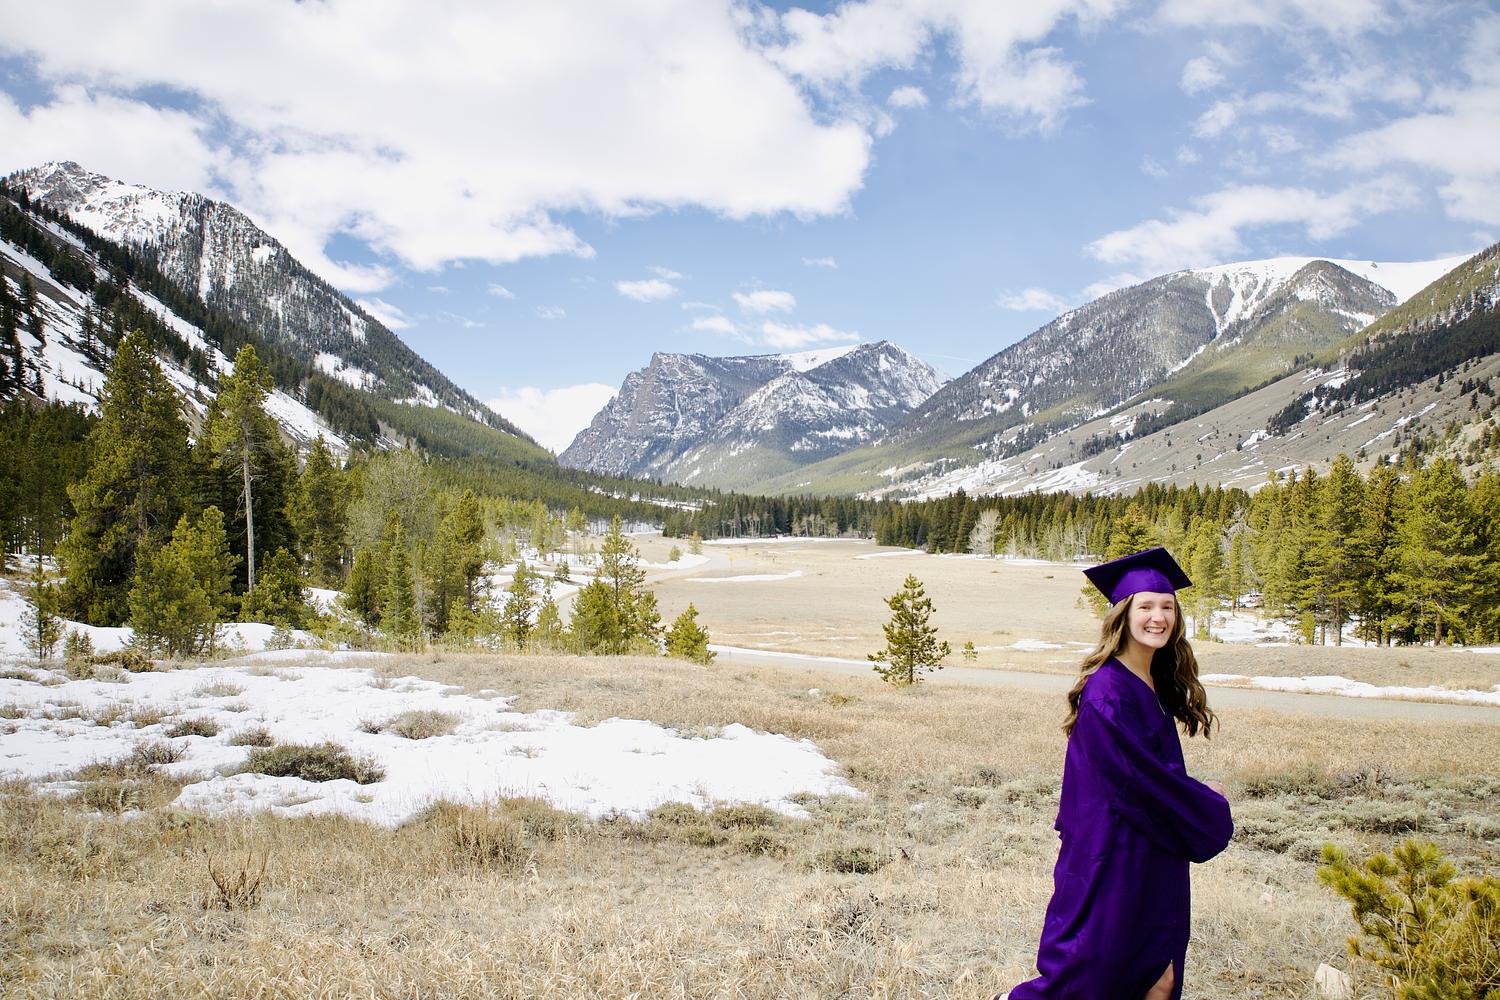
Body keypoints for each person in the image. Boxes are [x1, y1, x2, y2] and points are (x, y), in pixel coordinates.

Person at [998, 547, 1234, 1000]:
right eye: (1146, 606)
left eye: (1167, 607)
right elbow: (1136, 782)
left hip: (1152, 847)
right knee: (1090, 977)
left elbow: (1150, 775)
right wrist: (1205, 804)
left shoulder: (1150, 678)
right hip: (1114, 856)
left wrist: (1190, 797)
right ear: (1123, 614)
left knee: (1160, 977)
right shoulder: (1108, 691)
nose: (1158, 617)